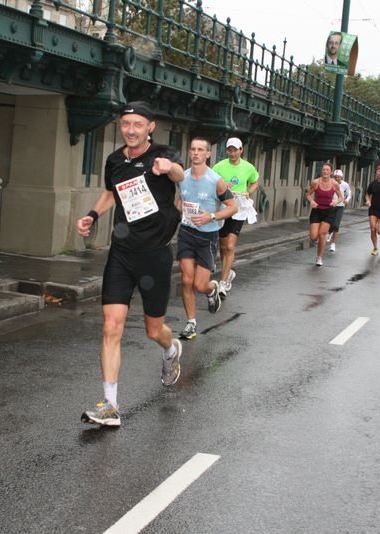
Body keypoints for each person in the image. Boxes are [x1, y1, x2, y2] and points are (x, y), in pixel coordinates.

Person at [76, 101, 185, 427]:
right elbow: (111, 193)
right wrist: (92, 216)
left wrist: (168, 168)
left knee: (154, 330)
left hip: (155, 254)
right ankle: (110, 405)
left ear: (150, 126)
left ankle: (171, 348)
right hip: (122, 253)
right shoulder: (115, 160)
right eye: (126, 124)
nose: (132, 130)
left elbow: (179, 174)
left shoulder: (164, 154)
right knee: (111, 326)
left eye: (138, 124)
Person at [177, 138, 238, 340]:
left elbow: (232, 207)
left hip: (207, 236)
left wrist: (211, 216)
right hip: (186, 232)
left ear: (208, 154)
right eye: (192, 149)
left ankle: (212, 290)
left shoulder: (215, 180)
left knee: (199, 285)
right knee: (186, 279)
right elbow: (181, 201)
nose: (195, 153)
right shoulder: (182, 177)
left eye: (200, 150)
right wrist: (179, 211)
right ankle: (191, 323)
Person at [212, 137, 259, 297]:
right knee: (223, 246)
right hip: (223, 206)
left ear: (241, 150)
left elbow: (255, 182)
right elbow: (211, 183)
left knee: (230, 246)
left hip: (238, 207)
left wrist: (249, 191)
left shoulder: (248, 167)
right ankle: (228, 271)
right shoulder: (219, 166)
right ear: (227, 151)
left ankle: (223, 282)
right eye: (229, 150)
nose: (232, 153)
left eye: (235, 150)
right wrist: (223, 186)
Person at [305, 162, 344, 266]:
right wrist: (311, 201)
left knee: (322, 234)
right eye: (323, 170)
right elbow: (308, 194)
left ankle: (319, 257)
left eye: (327, 170)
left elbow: (341, 197)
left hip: (329, 211)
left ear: (330, 172)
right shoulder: (315, 182)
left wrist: (336, 202)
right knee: (313, 237)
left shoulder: (334, 184)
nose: (325, 171)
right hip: (317, 210)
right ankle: (319, 243)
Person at [326, 169, 352, 253]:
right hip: (331, 205)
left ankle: (333, 244)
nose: (337, 179)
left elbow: (349, 193)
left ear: (342, 177)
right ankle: (329, 232)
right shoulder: (330, 183)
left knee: (336, 225)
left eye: (338, 177)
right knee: (330, 223)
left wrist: (347, 199)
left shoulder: (345, 185)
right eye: (335, 177)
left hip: (340, 207)